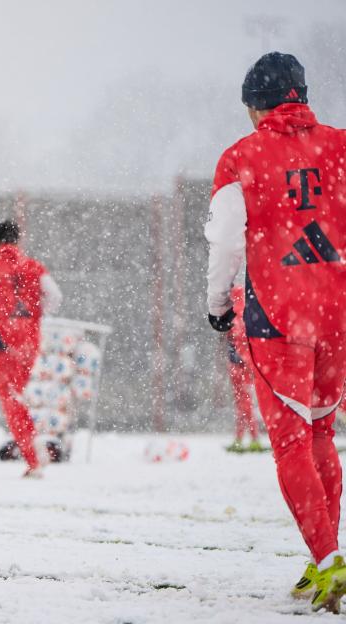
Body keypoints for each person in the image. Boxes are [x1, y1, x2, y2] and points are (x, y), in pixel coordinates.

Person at [204, 52, 346, 612]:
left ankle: (329, 558)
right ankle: (326, 559)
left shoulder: (241, 157)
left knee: (290, 443)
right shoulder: (339, 146)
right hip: (336, 312)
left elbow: (227, 242)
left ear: (254, 105)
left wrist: (218, 302)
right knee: (320, 434)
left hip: (278, 317)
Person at [0, 220, 62, 478]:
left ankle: (33, 456)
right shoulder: (34, 267)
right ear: (17, 240)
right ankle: (34, 451)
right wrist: (36, 314)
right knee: (19, 397)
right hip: (30, 341)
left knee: (12, 401)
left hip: (4, 344)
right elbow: (55, 295)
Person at [224, 285, 261, 453]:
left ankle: (252, 438)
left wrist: (241, 361)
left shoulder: (235, 314)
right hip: (243, 365)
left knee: (243, 403)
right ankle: (241, 438)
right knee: (242, 403)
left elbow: (238, 341)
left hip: (238, 366)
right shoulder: (244, 312)